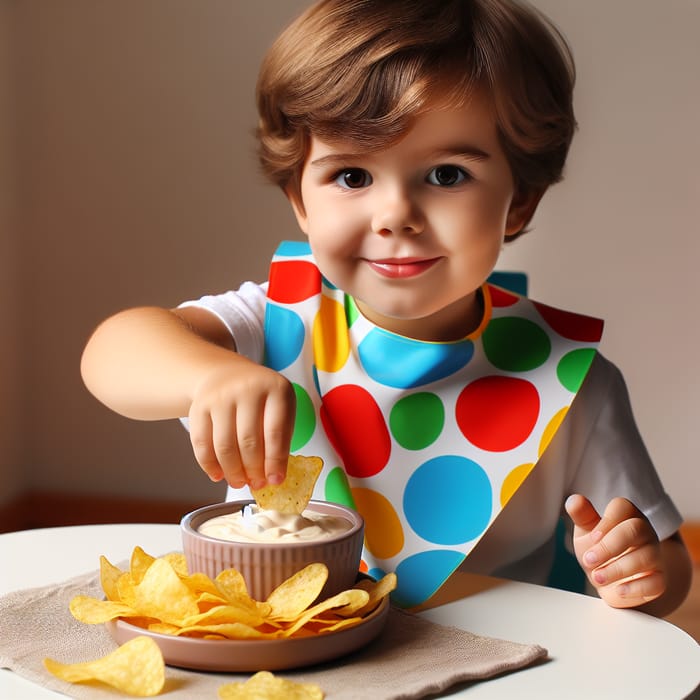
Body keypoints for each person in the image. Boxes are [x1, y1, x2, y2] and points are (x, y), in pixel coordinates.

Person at [80, 0, 691, 611]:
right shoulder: (271, 324)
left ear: (521, 199)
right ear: (300, 199)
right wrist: (210, 374)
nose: (395, 215)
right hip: (302, 658)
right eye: (351, 176)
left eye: (447, 175)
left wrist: (636, 569)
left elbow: (668, 570)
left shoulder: (576, 385)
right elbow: (113, 351)